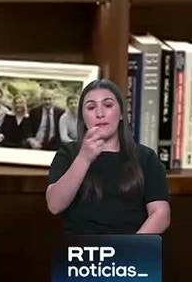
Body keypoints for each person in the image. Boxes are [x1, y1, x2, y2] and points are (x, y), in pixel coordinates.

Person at [45, 79, 170, 235]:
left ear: (122, 113)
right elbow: (55, 205)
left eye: (108, 105)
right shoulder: (68, 153)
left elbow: (161, 214)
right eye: (91, 107)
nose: (100, 113)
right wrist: (84, 158)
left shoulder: (146, 157)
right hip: (82, 247)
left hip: (132, 245)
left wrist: (131, 246)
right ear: (83, 117)